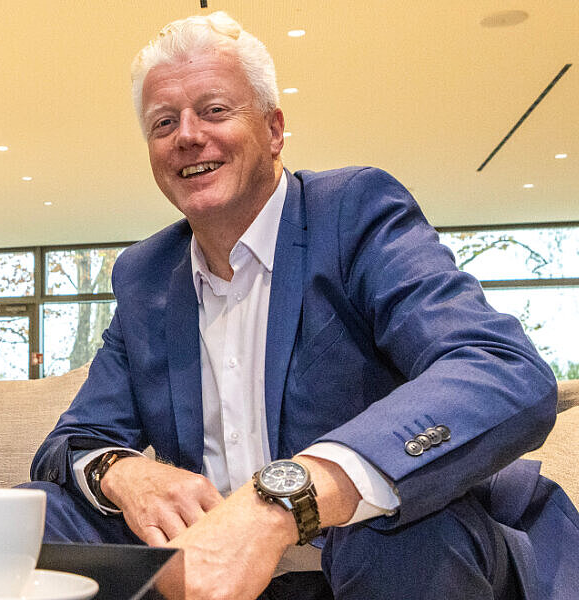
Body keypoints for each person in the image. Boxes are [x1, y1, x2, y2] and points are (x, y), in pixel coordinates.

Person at [28, 12, 578, 600]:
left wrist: (286, 499)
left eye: (214, 110)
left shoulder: (354, 213)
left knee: (387, 536)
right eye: (164, 122)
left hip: (384, 554)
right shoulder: (146, 276)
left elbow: (501, 368)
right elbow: (73, 442)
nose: (187, 135)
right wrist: (127, 472)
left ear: (273, 130)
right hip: (215, 572)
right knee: (30, 521)